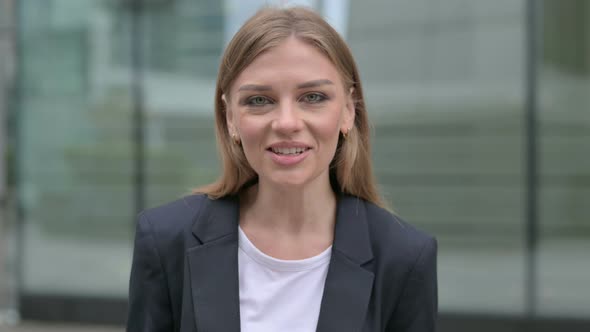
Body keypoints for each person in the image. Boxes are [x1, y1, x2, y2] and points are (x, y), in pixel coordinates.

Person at [127, 6, 437, 332]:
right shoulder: (165, 241)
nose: (287, 123)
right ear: (230, 117)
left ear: (348, 110)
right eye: (259, 100)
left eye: (313, 96)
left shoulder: (405, 258)